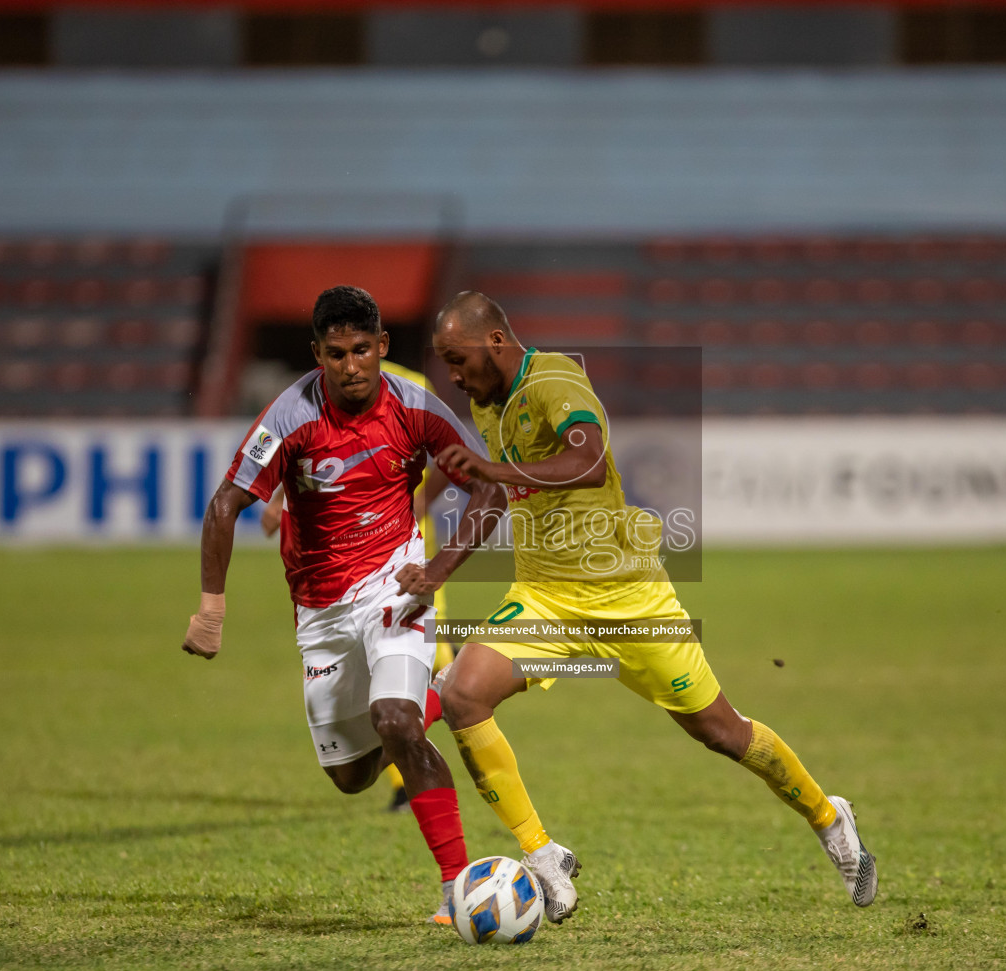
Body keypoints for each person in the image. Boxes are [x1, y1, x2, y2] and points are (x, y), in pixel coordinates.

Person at [404, 291, 877, 924]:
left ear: (493, 343)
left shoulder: (554, 378)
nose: (452, 376)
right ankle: (543, 859)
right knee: (464, 693)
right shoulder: (485, 400)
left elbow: (590, 461)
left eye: (456, 359)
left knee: (722, 732)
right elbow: (493, 490)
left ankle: (828, 816)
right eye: (444, 363)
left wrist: (491, 466)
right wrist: (439, 571)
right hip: (545, 598)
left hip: (630, 597)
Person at [182, 285, 505, 923]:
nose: (352, 365)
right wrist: (210, 609)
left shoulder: (416, 406)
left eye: (363, 350)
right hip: (320, 611)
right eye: (337, 353)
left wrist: (437, 570)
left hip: (394, 584)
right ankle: (436, 694)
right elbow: (226, 504)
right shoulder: (290, 416)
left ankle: (458, 886)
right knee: (352, 776)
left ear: (382, 346)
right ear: (318, 354)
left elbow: (487, 490)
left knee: (394, 721)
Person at [259, 358, 459, 813]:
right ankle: (403, 771)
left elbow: (453, 455)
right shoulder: (314, 389)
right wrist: (279, 498)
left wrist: (418, 503)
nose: (348, 363)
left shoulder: (410, 385)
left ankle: (407, 780)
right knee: (384, 685)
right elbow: (304, 450)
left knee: (425, 661)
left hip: (399, 553)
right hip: (341, 569)